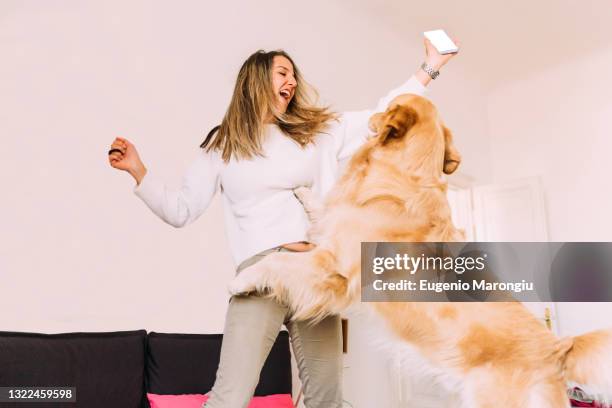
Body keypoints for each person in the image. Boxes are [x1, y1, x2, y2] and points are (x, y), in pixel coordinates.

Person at [108, 38, 458, 408]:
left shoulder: (316, 133)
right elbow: (181, 210)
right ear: (257, 80)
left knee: (328, 399)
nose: (291, 81)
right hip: (261, 274)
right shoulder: (223, 145)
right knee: (229, 397)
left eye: (293, 75)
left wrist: (431, 67)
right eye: (282, 73)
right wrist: (138, 171)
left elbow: (384, 112)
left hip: (315, 275)